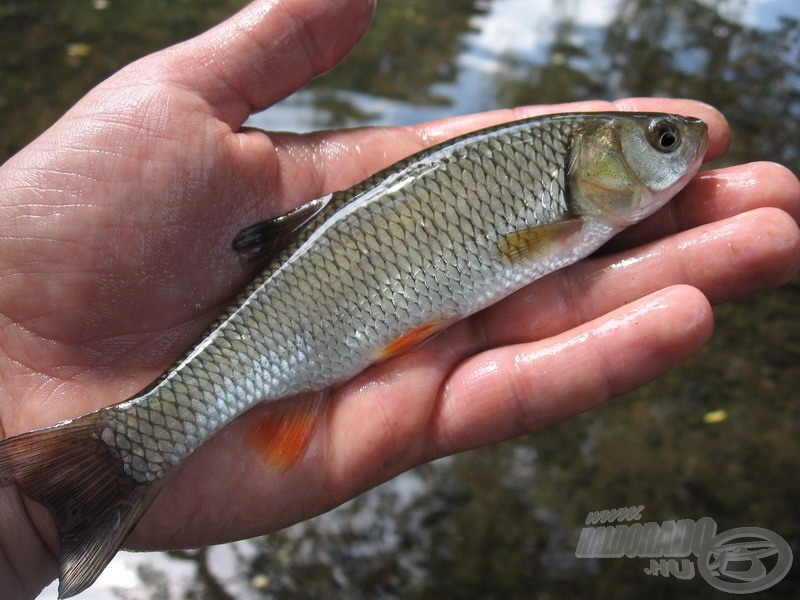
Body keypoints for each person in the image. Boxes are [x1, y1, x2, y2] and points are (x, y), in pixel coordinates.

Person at [0, 0, 798, 597]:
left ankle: (75, 486)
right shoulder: (561, 204)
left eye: (666, 140)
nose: (681, 147)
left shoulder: (571, 196)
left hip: (327, 324)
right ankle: (112, 459)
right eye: (663, 142)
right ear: (593, 165)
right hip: (309, 317)